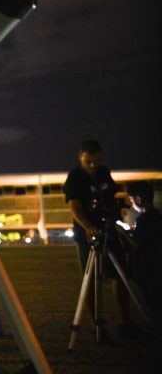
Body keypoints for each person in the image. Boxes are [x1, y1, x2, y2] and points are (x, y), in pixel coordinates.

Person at [64, 140, 142, 341]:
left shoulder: (104, 172)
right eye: (88, 161)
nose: (92, 165)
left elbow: (111, 196)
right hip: (88, 234)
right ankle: (98, 325)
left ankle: (127, 322)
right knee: (90, 279)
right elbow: (74, 208)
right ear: (80, 157)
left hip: (108, 230)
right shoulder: (74, 179)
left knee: (119, 275)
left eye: (96, 161)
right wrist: (89, 227)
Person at [127, 181, 161, 328]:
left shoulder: (144, 220)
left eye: (131, 199)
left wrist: (124, 233)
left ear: (138, 199)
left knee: (154, 303)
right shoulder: (158, 216)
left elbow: (138, 244)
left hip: (148, 270)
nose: (131, 203)